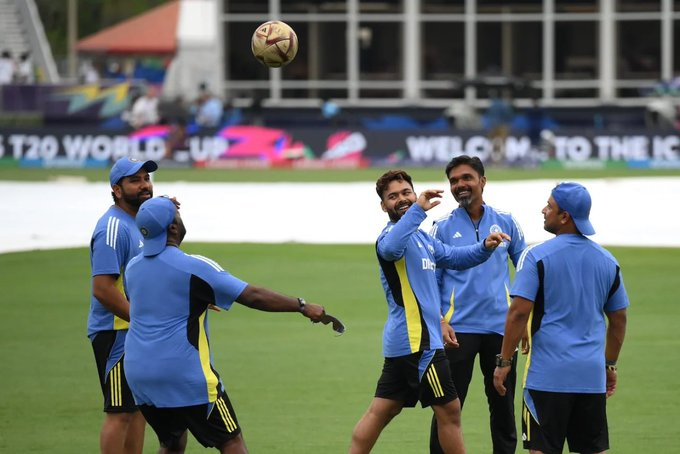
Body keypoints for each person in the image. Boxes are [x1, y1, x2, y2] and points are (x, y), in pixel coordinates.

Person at [123, 196, 327, 453]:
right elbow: (252, 296)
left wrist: (197, 300)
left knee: (171, 441)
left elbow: (154, 302)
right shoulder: (195, 266)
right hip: (185, 375)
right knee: (231, 442)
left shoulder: (133, 267)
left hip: (140, 375)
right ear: (173, 228)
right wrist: (301, 305)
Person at [348, 170, 510, 454]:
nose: (402, 199)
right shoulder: (389, 237)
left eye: (406, 193)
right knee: (450, 411)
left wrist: (484, 247)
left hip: (408, 343)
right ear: (383, 206)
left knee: (381, 411)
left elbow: (454, 257)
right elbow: (390, 248)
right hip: (418, 343)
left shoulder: (423, 239)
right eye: (393, 197)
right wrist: (418, 210)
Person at [493, 182, 629, 454]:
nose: (543, 210)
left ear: (564, 216)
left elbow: (518, 312)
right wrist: (609, 365)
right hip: (590, 376)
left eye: (550, 206)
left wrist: (504, 361)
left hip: (547, 376)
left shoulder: (536, 256)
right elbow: (619, 320)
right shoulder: (608, 261)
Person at [429, 155, 527, 454]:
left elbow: (525, 269)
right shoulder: (441, 226)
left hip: (501, 328)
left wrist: (524, 321)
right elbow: (429, 278)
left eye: (466, 178)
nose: (460, 185)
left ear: (482, 181)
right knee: (447, 407)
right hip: (457, 331)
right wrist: (440, 321)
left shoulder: (506, 219)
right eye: (454, 181)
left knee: (502, 405)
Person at [88, 157, 160, 454]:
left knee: (140, 409)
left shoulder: (138, 223)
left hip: (135, 331)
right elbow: (103, 290)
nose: (144, 185)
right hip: (117, 333)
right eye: (135, 180)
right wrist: (142, 322)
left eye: (146, 178)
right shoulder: (113, 229)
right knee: (120, 412)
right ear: (117, 190)